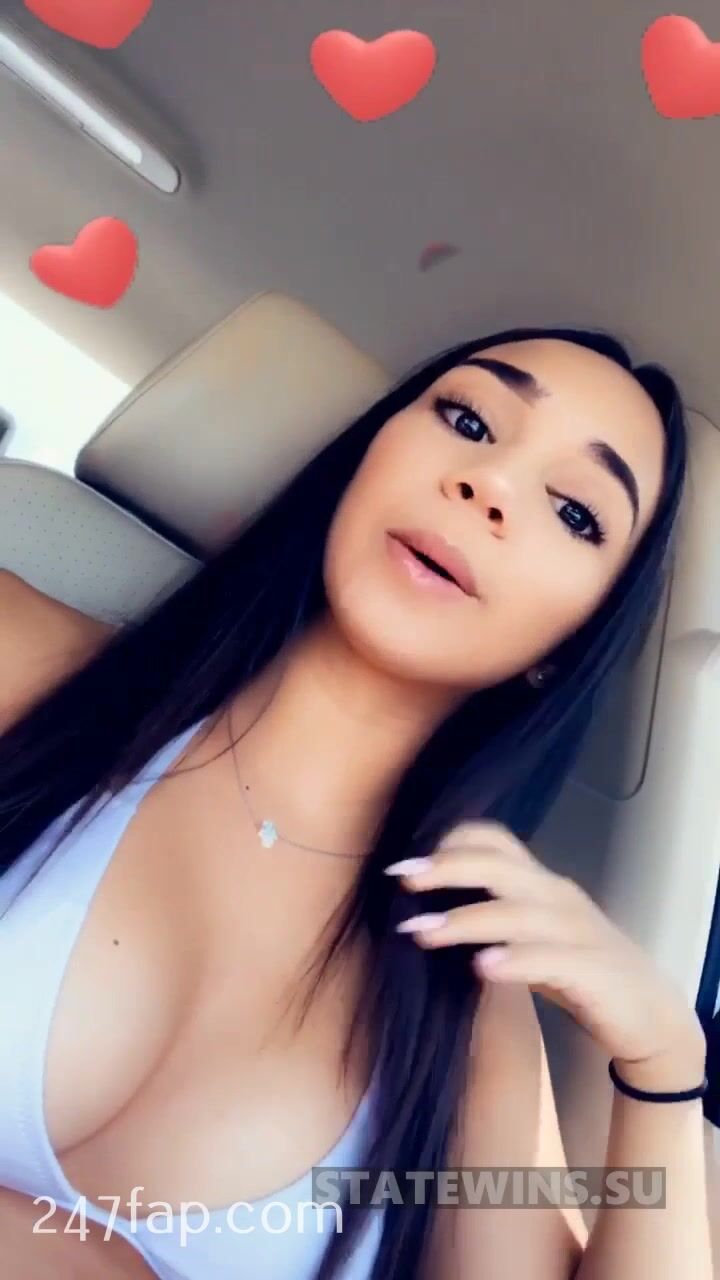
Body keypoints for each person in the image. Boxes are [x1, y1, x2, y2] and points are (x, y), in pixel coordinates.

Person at [0, 326, 711, 1280]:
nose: (490, 488)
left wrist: (666, 1065)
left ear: (569, 647)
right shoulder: (21, 663)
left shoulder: (468, 994)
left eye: (576, 513)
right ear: (366, 455)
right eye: (469, 420)